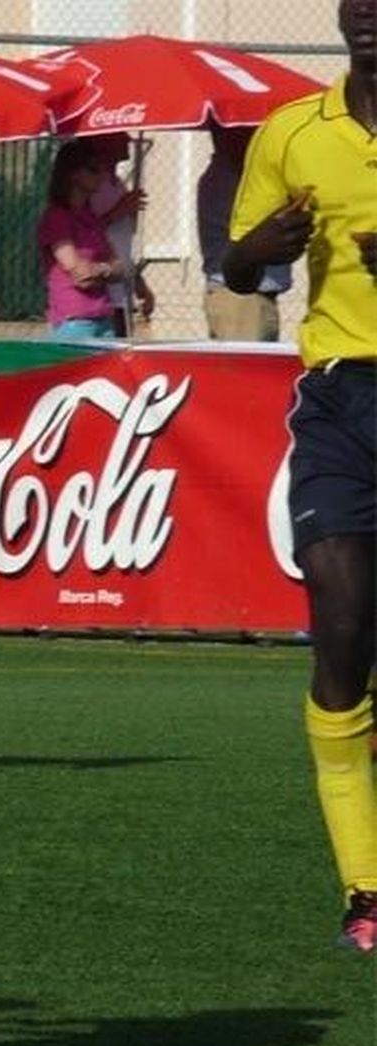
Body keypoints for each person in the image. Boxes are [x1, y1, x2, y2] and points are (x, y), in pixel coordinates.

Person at [223, 0, 376, 955]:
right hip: (339, 400)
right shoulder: (291, 131)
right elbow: (239, 267)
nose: (365, 11)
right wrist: (254, 254)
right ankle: (367, 885)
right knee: (342, 616)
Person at [196, 123, 292, 341]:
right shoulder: (235, 179)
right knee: (247, 358)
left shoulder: (231, 176)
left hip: (246, 295)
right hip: (240, 295)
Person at [37, 140, 126, 338]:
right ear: (73, 174)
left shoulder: (90, 217)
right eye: (94, 170)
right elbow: (81, 276)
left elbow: (120, 268)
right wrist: (106, 270)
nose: (101, 176)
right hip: (74, 319)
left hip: (103, 316)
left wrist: (100, 270)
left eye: (103, 170)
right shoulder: (57, 217)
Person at [84, 132, 156, 335]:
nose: (126, 139)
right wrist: (120, 210)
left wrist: (140, 284)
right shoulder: (93, 188)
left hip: (122, 289)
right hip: (104, 291)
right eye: (119, 135)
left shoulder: (117, 184)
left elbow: (122, 244)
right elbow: (87, 232)